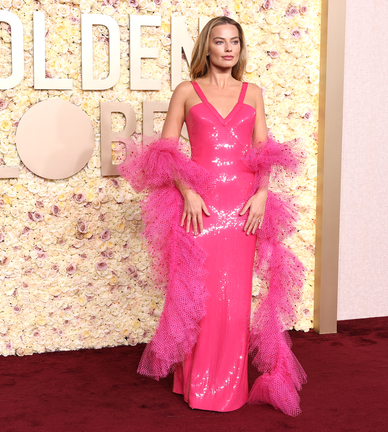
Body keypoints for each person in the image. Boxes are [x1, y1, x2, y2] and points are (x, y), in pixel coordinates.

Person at [118, 16, 307, 415]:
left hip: (243, 209)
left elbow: (263, 151)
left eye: (234, 42)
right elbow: (167, 151)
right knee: (198, 294)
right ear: (207, 47)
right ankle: (194, 381)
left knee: (234, 297)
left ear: (240, 48)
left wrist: (262, 194)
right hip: (200, 207)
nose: (228, 48)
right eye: (220, 41)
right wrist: (187, 192)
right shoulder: (186, 91)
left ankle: (228, 387)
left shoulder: (253, 93)